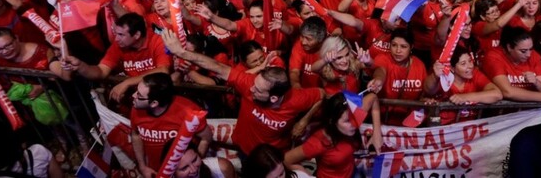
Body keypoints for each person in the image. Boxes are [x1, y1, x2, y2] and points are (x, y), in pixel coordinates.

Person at [161, 30, 325, 155]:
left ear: (274, 97)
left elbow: (322, 94)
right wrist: (182, 53)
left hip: (274, 156)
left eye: (258, 90)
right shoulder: (249, 84)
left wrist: (304, 120)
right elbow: (217, 67)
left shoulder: (297, 99)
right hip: (245, 151)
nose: (252, 89)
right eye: (255, 84)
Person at [61, 13, 172, 101]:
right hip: (134, 101)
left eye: (121, 35)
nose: (116, 39)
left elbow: (162, 71)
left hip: (158, 99)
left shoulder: (157, 41)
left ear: (137, 35)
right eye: (116, 34)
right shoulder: (118, 45)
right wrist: (80, 66)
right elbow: (101, 71)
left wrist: (127, 82)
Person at [130, 72, 213, 177]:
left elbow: (206, 137)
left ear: (154, 103)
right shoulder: (136, 108)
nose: (133, 96)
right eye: (136, 91)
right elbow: (136, 135)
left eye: (139, 95)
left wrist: (194, 164)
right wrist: (142, 166)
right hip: (154, 172)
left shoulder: (188, 111)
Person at [283, 92, 383, 178]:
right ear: (332, 121)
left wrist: (377, 133)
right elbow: (287, 160)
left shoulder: (352, 111)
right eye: (347, 121)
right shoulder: (319, 142)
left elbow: (373, 97)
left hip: (351, 173)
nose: (355, 124)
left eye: (355, 117)